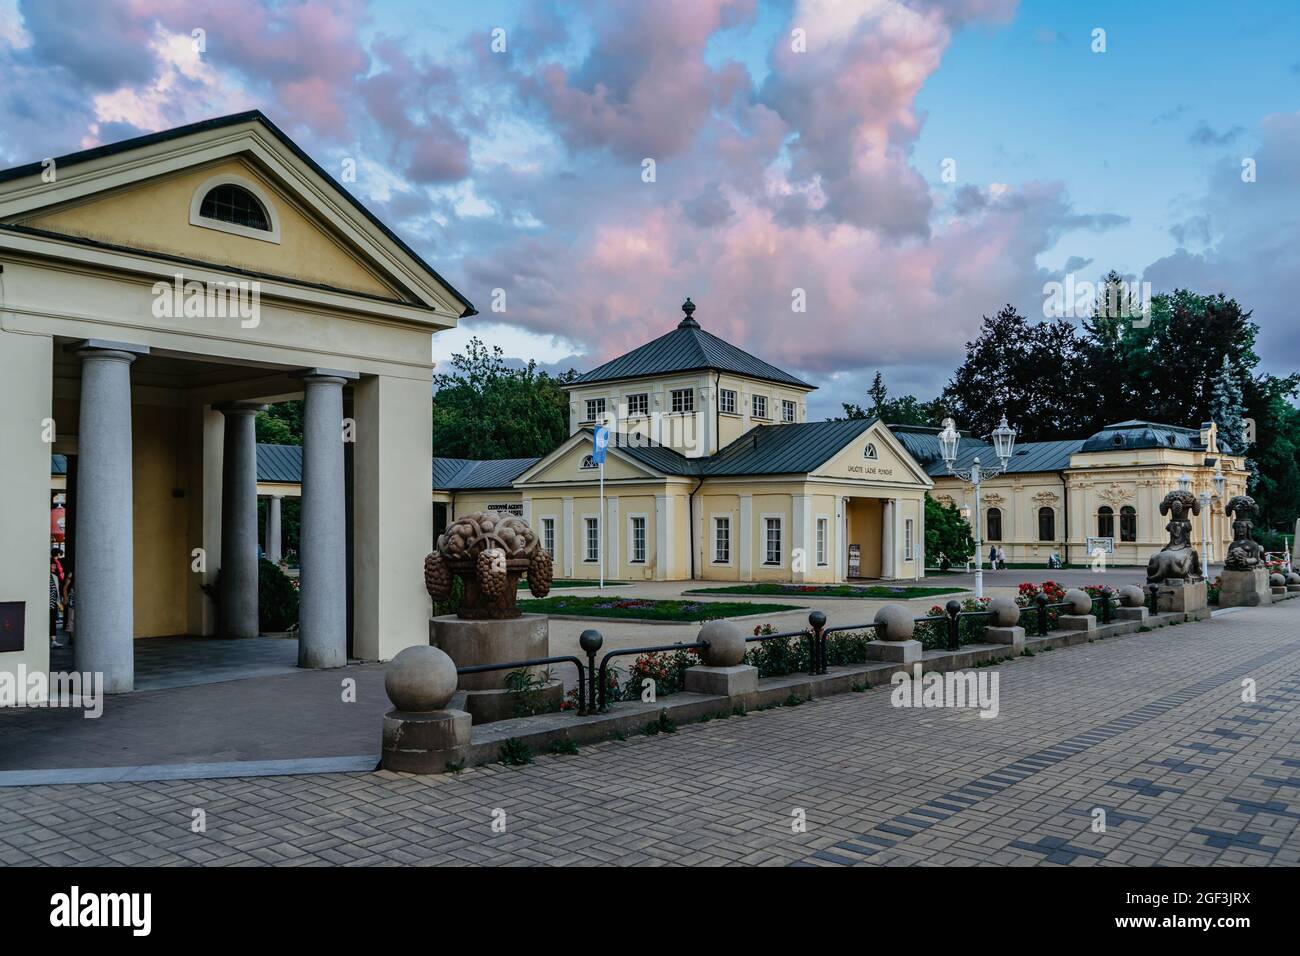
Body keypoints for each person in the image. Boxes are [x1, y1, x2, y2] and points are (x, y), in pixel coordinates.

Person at [49, 562, 61, 648]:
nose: (55, 567)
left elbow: (56, 591)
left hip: (52, 603)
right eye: (53, 565)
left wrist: (58, 602)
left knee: (52, 621)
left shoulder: (54, 577)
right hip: (46, 603)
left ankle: (53, 640)